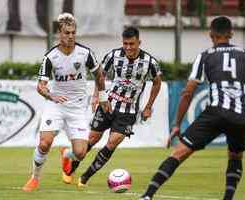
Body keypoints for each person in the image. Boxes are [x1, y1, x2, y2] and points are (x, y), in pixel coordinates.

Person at [139, 16, 245, 200]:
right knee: (235, 157)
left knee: (179, 153)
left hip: (216, 112)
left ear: (211, 35)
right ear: (231, 33)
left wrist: (177, 124)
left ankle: (147, 195)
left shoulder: (206, 55)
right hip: (242, 116)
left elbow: (188, 92)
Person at [60, 26, 162, 186]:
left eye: (132, 44)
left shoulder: (150, 62)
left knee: (112, 142)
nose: (128, 47)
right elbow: (100, 74)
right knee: (92, 139)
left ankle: (85, 177)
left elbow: (157, 83)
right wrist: (96, 96)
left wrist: (148, 106)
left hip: (128, 111)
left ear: (139, 42)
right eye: (125, 44)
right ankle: (71, 166)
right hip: (108, 104)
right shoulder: (114, 55)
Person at [22, 12, 111, 192]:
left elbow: (99, 75)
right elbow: (41, 86)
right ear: (59, 34)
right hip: (55, 105)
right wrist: (51, 96)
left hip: (77, 107)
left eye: (73, 33)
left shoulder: (85, 53)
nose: (70, 36)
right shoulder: (50, 57)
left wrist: (101, 97)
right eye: (66, 33)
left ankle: (66, 155)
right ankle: (34, 178)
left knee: (80, 152)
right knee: (44, 143)